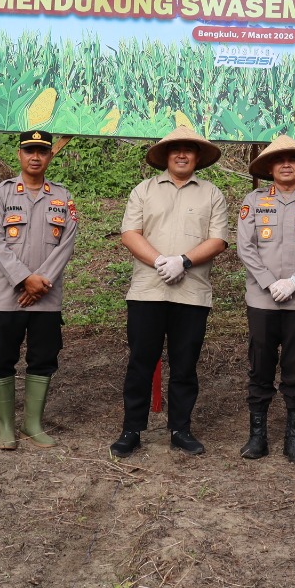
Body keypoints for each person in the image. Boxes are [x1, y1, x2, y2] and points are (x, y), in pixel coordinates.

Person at [112, 128, 232, 457]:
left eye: (188, 150)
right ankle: (131, 429)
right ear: (166, 156)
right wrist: (159, 260)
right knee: (140, 363)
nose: (181, 155)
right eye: (175, 150)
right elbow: (129, 233)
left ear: (197, 157)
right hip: (147, 292)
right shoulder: (144, 190)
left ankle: (180, 428)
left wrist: (184, 260)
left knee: (185, 365)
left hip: (191, 294)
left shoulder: (211, 194)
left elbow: (218, 239)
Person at [235, 135, 295, 463]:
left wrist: (293, 281)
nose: (287, 164)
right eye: (279, 160)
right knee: (260, 365)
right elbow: (245, 246)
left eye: (293, 159)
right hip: (261, 300)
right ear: (270, 167)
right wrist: (268, 281)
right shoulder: (254, 200)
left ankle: (294, 437)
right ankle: (257, 436)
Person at [0, 130, 77, 450]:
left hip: (47, 299)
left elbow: (66, 244)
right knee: (2, 358)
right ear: (19, 155)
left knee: (43, 358)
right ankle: (6, 424)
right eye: (29, 151)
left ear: (50, 156)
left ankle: (32, 423)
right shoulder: (2, 193)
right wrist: (25, 279)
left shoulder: (62, 196)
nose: (35, 156)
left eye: (41, 151)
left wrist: (41, 283)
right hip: (5, 296)